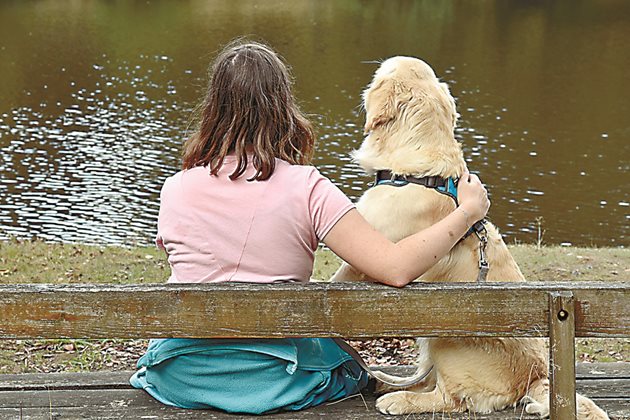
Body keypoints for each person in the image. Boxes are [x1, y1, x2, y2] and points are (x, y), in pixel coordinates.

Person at [130, 40, 490, 414]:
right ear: (282, 106)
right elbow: (396, 269)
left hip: (180, 376)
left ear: (213, 107)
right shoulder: (307, 187)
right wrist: (467, 212)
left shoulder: (175, 188)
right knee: (346, 365)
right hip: (279, 381)